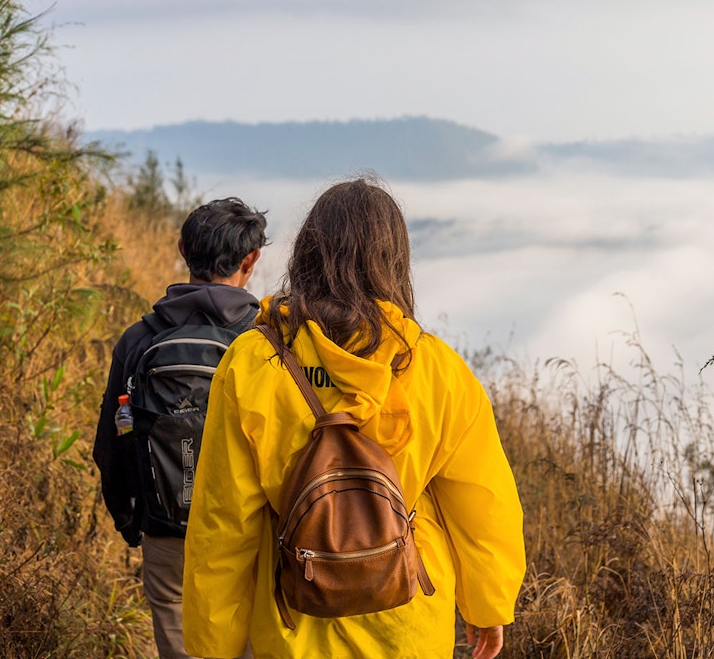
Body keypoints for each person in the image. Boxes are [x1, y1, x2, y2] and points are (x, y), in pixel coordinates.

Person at [183, 178, 525, 658]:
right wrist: (488, 606)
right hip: (408, 620)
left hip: (293, 623)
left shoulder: (253, 361)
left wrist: (212, 639)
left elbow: (224, 517)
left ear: (307, 254)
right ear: (395, 261)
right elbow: (483, 503)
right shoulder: (435, 367)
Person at [94, 197, 267, 659]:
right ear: (251, 261)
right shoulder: (266, 340)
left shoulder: (139, 338)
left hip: (167, 530)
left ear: (182, 249)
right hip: (248, 540)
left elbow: (111, 446)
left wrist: (133, 522)